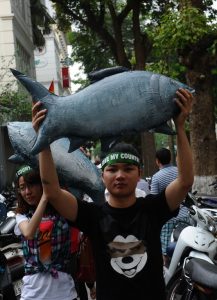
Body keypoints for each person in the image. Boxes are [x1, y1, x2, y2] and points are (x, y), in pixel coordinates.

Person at [32, 88, 194, 300]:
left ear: (139, 175)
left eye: (128, 169)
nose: (120, 175)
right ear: (102, 176)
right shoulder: (93, 215)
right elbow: (52, 192)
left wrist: (180, 127)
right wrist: (43, 140)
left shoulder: (153, 209)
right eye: (112, 169)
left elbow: (184, 182)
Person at [14, 165, 77, 300]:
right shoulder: (22, 216)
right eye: (22, 187)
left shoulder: (62, 211)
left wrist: (51, 192)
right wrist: (45, 198)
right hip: (32, 293)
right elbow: (29, 232)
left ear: (42, 184)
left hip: (64, 292)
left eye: (31, 185)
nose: (27, 192)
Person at [150, 148, 190, 266]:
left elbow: (153, 199)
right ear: (170, 158)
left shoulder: (156, 177)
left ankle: (167, 272)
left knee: (164, 248)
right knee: (184, 245)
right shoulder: (179, 172)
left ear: (157, 161)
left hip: (167, 218)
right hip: (184, 214)